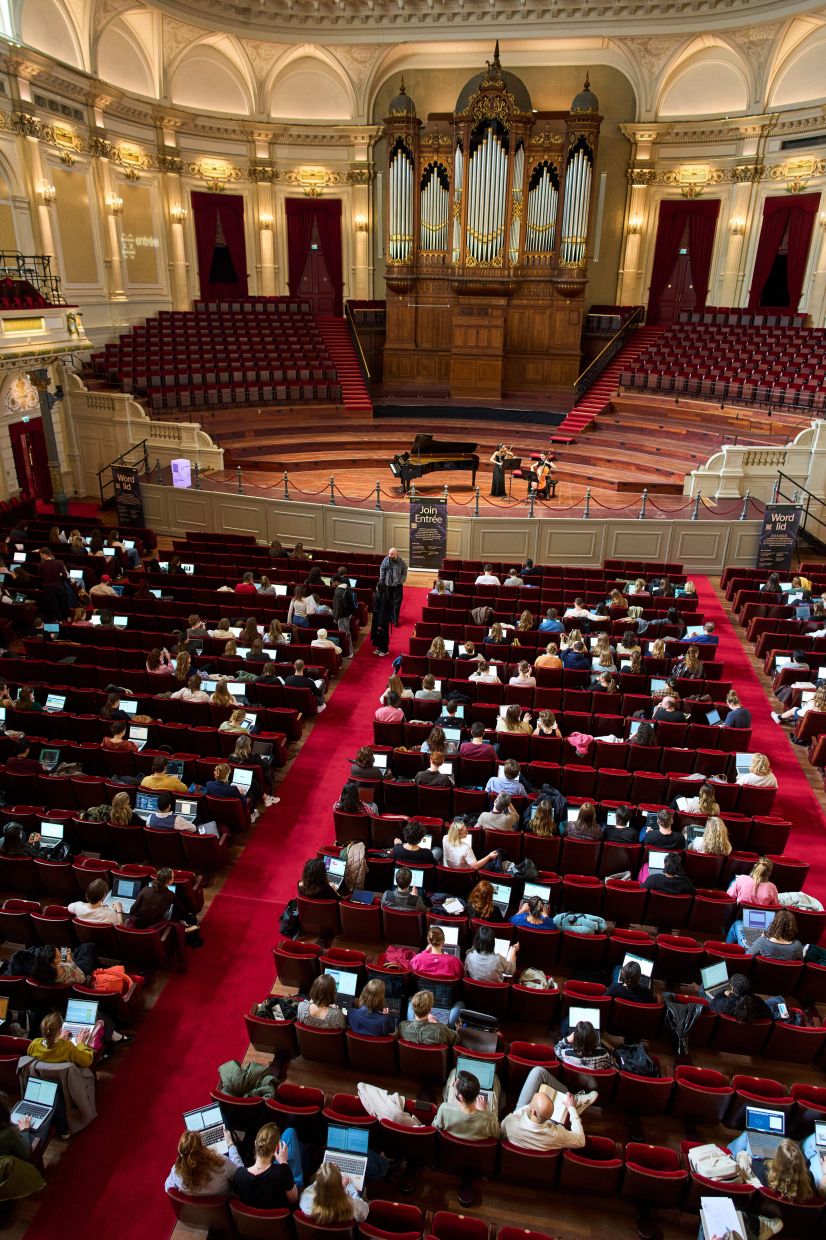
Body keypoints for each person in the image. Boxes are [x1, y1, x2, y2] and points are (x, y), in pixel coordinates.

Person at [501, 1071, 593, 1152]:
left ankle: (570, 1098)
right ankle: (573, 1100)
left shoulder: (510, 1123)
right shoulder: (557, 1135)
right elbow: (581, 1141)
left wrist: (528, 1107)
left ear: (533, 1111)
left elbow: (502, 1128)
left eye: (532, 1099)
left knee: (537, 1072)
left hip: (520, 1122)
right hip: (543, 1128)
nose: (535, 1093)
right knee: (538, 1072)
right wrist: (571, 1108)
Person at [232, 1123, 301, 1207]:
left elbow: (238, 1202)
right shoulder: (282, 1172)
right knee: (291, 1135)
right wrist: (284, 1163)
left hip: (250, 1219)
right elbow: (294, 1200)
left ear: (255, 1143)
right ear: (276, 1148)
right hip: (280, 1218)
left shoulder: (239, 1175)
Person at [165, 1129, 243, 1197]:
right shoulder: (222, 1163)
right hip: (225, 1203)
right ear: (203, 1149)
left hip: (200, 1211)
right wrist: (230, 1144)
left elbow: (168, 1188)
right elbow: (241, 1174)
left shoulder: (176, 1171)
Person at [434, 1070, 500, 1138]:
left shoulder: (444, 1110)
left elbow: (434, 1127)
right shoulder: (491, 1119)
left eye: (455, 1085)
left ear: (461, 1097)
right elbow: (497, 1137)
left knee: (453, 1071)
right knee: (495, 1079)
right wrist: (483, 1112)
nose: (453, 1084)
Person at [300, 1160, 369, 1224]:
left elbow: (315, 1188)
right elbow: (365, 1211)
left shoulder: (306, 1201)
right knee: (362, 1184)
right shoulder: (353, 1206)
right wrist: (343, 1188)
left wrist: (327, 1178)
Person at [727, 908, 804, 958]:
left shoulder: (762, 942)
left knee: (738, 924)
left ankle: (725, 950)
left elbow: (746, 956)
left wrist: (761, 938)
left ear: (775, 923)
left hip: (758, 976)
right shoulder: (798, 946)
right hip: (783, 980)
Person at [704, 973, 773, 1022]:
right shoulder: (758, 1001)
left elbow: (712, 1004)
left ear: (733, 990)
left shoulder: (726, 1004)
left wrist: (723, 993)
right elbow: (768, 1014)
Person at [379, 547, 407, 626]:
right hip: (387, 585)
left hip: (397, 586)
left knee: (397, 603)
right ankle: (390, 617)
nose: (389, 555)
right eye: (389, 554)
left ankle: (395, 620)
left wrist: (399, 582)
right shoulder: (385, 560)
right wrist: (382, 580)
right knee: (388, 602)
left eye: (392, 554)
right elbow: (382, 569)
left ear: (396, 554)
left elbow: (404, 574)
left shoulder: (401, 562)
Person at [371, 581, 393, 656]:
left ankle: (384, 650)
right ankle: (379, 648)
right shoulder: (382, 595)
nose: (376, 588)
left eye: (377, 587)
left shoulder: (382, 597)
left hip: (381, 618)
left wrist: (380, 623)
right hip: (381, 617)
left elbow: (382, 611)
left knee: (382, 635)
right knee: (379, 634)